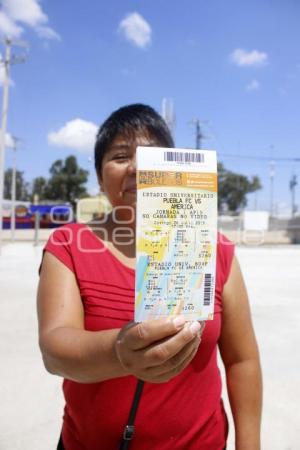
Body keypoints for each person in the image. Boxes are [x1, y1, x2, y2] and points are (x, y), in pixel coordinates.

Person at [37, 104, 262, 450]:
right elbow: (55, 350)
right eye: (120, 155)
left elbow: (242, 360)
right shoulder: (69, 244)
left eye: (151, 155)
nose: (138, 167)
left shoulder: (216, 249)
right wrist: (120, 353)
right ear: (99, 176)